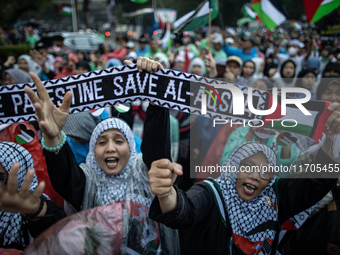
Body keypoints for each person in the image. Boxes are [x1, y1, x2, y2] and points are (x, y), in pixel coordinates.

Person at [24, 57, 180, 254]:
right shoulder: (86, 180)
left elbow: (157, 151)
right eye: (102, 142)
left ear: (131, 148)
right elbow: (65, 177)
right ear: (93, 150)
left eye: (119, 140)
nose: (110, 148)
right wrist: (54, 139)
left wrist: (156, 93)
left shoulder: (144, 172)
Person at [148, 101, 340, 254]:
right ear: (234, 168)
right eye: (248, 167)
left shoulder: (275, 196)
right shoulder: (213, 192)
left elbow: (314, 185)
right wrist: (166, 194)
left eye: (265, 172)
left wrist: (332, 147)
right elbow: (186, 210)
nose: (256, 176)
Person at [0, 142, 65, 250]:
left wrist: (35, 211)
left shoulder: (31, 207)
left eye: (0, 177)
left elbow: (60, 238)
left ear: (19, 176)